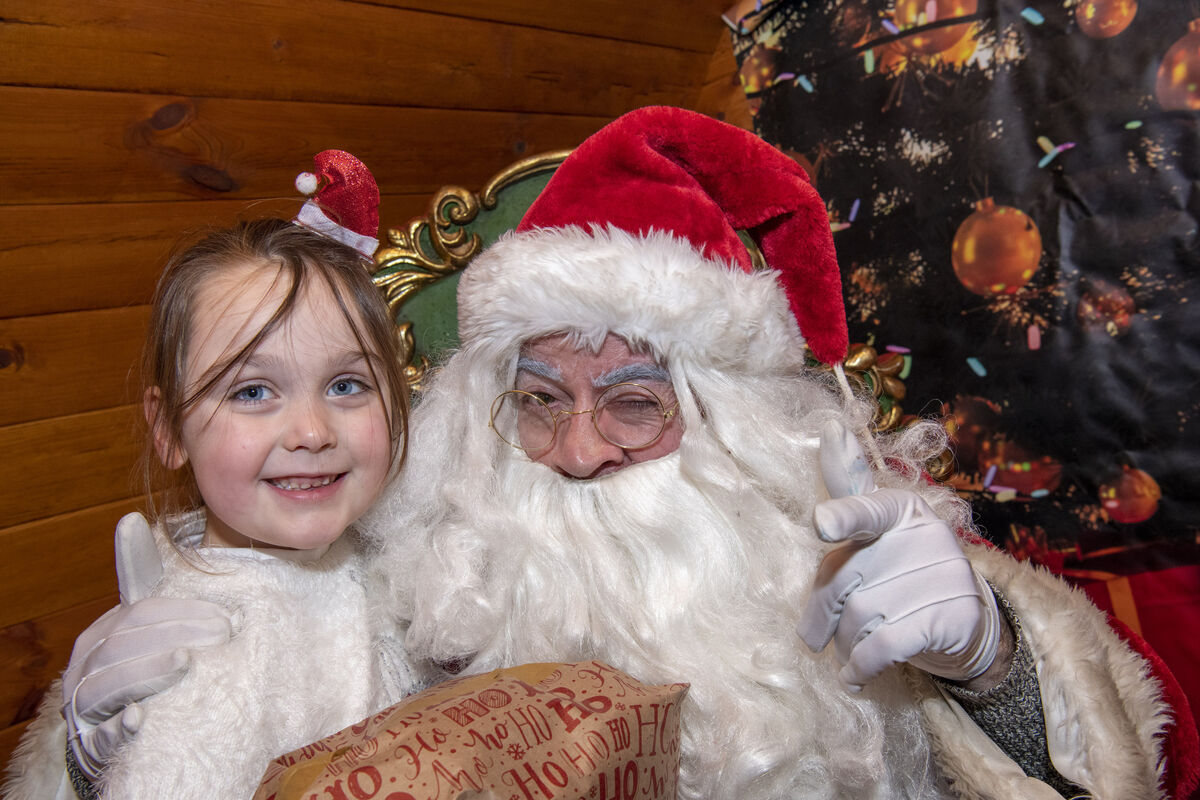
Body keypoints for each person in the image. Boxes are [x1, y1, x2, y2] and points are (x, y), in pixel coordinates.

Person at [36, 111, 1199, 799]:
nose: (578, 450)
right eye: (539, 399)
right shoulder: (416, 571)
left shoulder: (854, 549)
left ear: (744, 424)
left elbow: (1124, 757)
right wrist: (94, 762)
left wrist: (989, 666)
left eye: (634, 403)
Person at [2, 152, 426, 800]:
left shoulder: (409, 569)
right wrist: (86, 773)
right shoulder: (199, 646)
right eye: (253, 392)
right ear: (169, 428)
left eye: (346, 384)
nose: (311, 431)